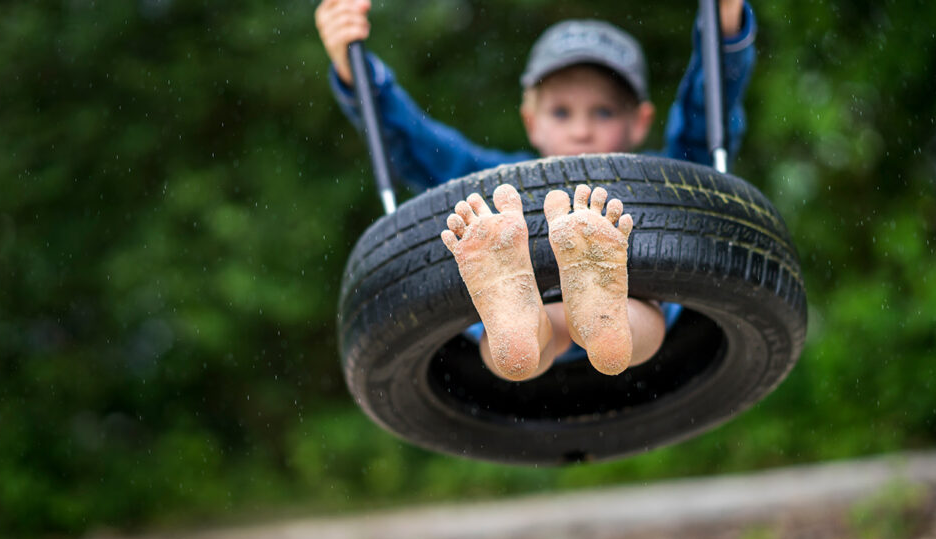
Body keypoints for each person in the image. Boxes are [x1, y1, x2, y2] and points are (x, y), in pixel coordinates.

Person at [316, 0, 756, 381]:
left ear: (638, 121)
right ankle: (519, 324)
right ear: (531, 120)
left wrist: (723, 21)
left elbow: (705, 120)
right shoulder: (500, 182)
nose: (581, 130)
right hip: (546, 315)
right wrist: (358, 74)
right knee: (489, 232)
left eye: (602, 112)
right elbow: (417, 144)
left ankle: (594, 324)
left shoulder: (659, 180)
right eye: (562, 112)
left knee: (640, 313)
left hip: (629, 300)